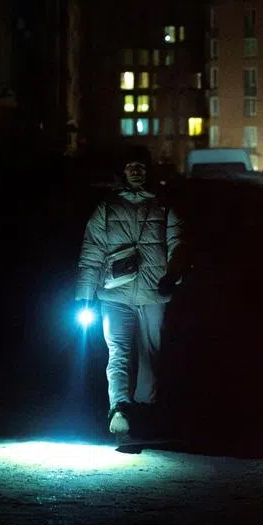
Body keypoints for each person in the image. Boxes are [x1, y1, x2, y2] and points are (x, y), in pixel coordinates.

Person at [75, 146, 184, 441]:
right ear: (122, 171)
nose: (136, 171)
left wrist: (172, 274)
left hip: (153, 292)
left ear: (148, 170)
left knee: (150, 355)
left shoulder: (164, 205)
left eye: (140, 166)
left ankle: (146, 408)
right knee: (119, 352)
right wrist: (85, 294)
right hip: (114, 294)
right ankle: (120, 408)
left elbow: (178, 243)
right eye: (130, 166)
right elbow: (92, 253)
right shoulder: (107, 208)